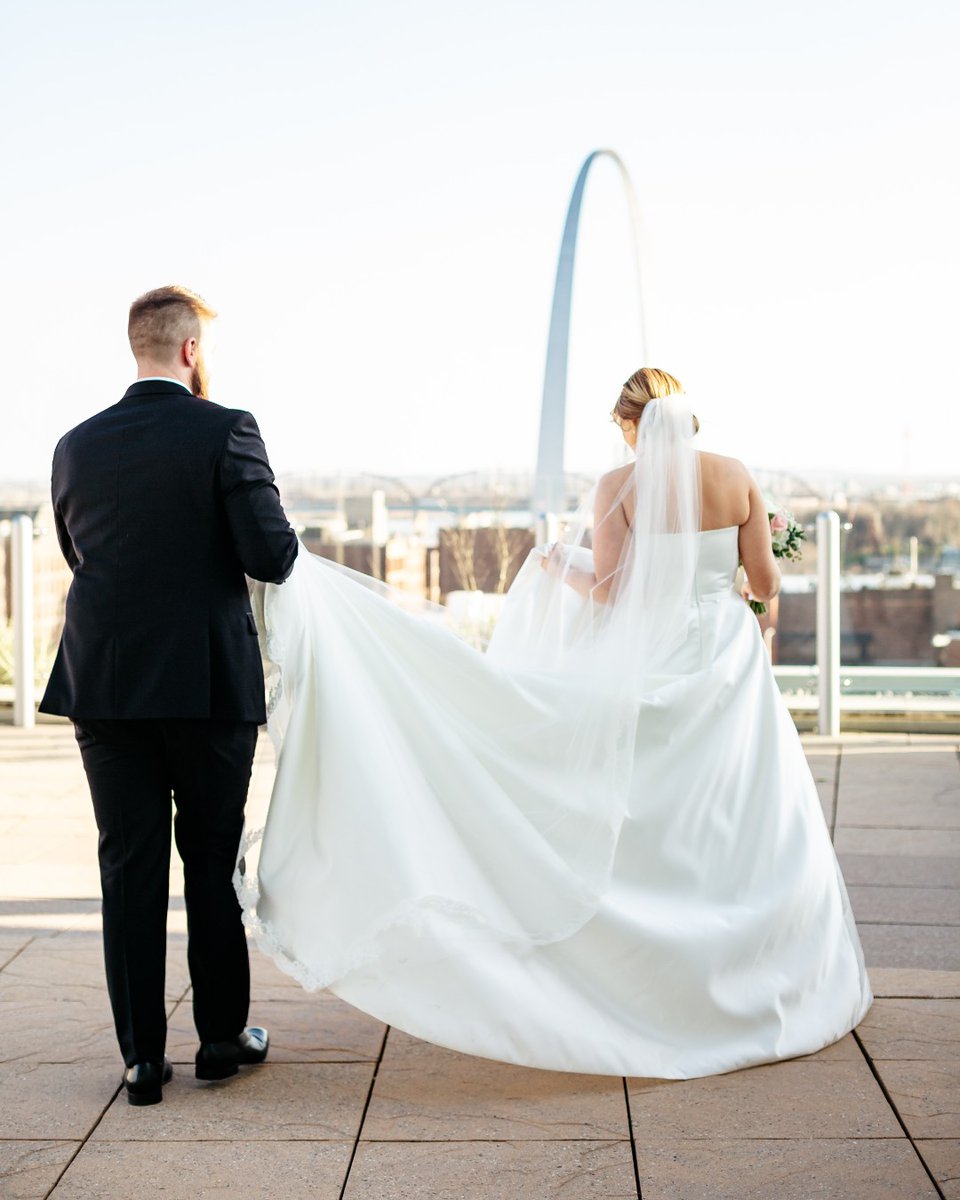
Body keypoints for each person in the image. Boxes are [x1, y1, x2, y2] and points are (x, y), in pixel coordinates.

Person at [239, 367, 872, 1080]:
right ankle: (761, 968)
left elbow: (608, 593)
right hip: (727, 663)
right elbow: (763, 583)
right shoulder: (736, 477)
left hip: (655, 656)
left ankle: (648, 964)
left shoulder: (619, 488)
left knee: (646, 803)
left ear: (633, 425)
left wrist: (553, 564)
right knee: (741, 808)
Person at [40, 285, 299, 1105]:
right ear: (191, 351)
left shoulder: (74, 445)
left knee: (128, 864)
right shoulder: (228, 428)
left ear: (136, 346)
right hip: (208, 682)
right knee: (211, 861)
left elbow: (80, 553)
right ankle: (220, 1040)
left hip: (105, 681)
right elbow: (273, 556)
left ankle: (141, 1061)